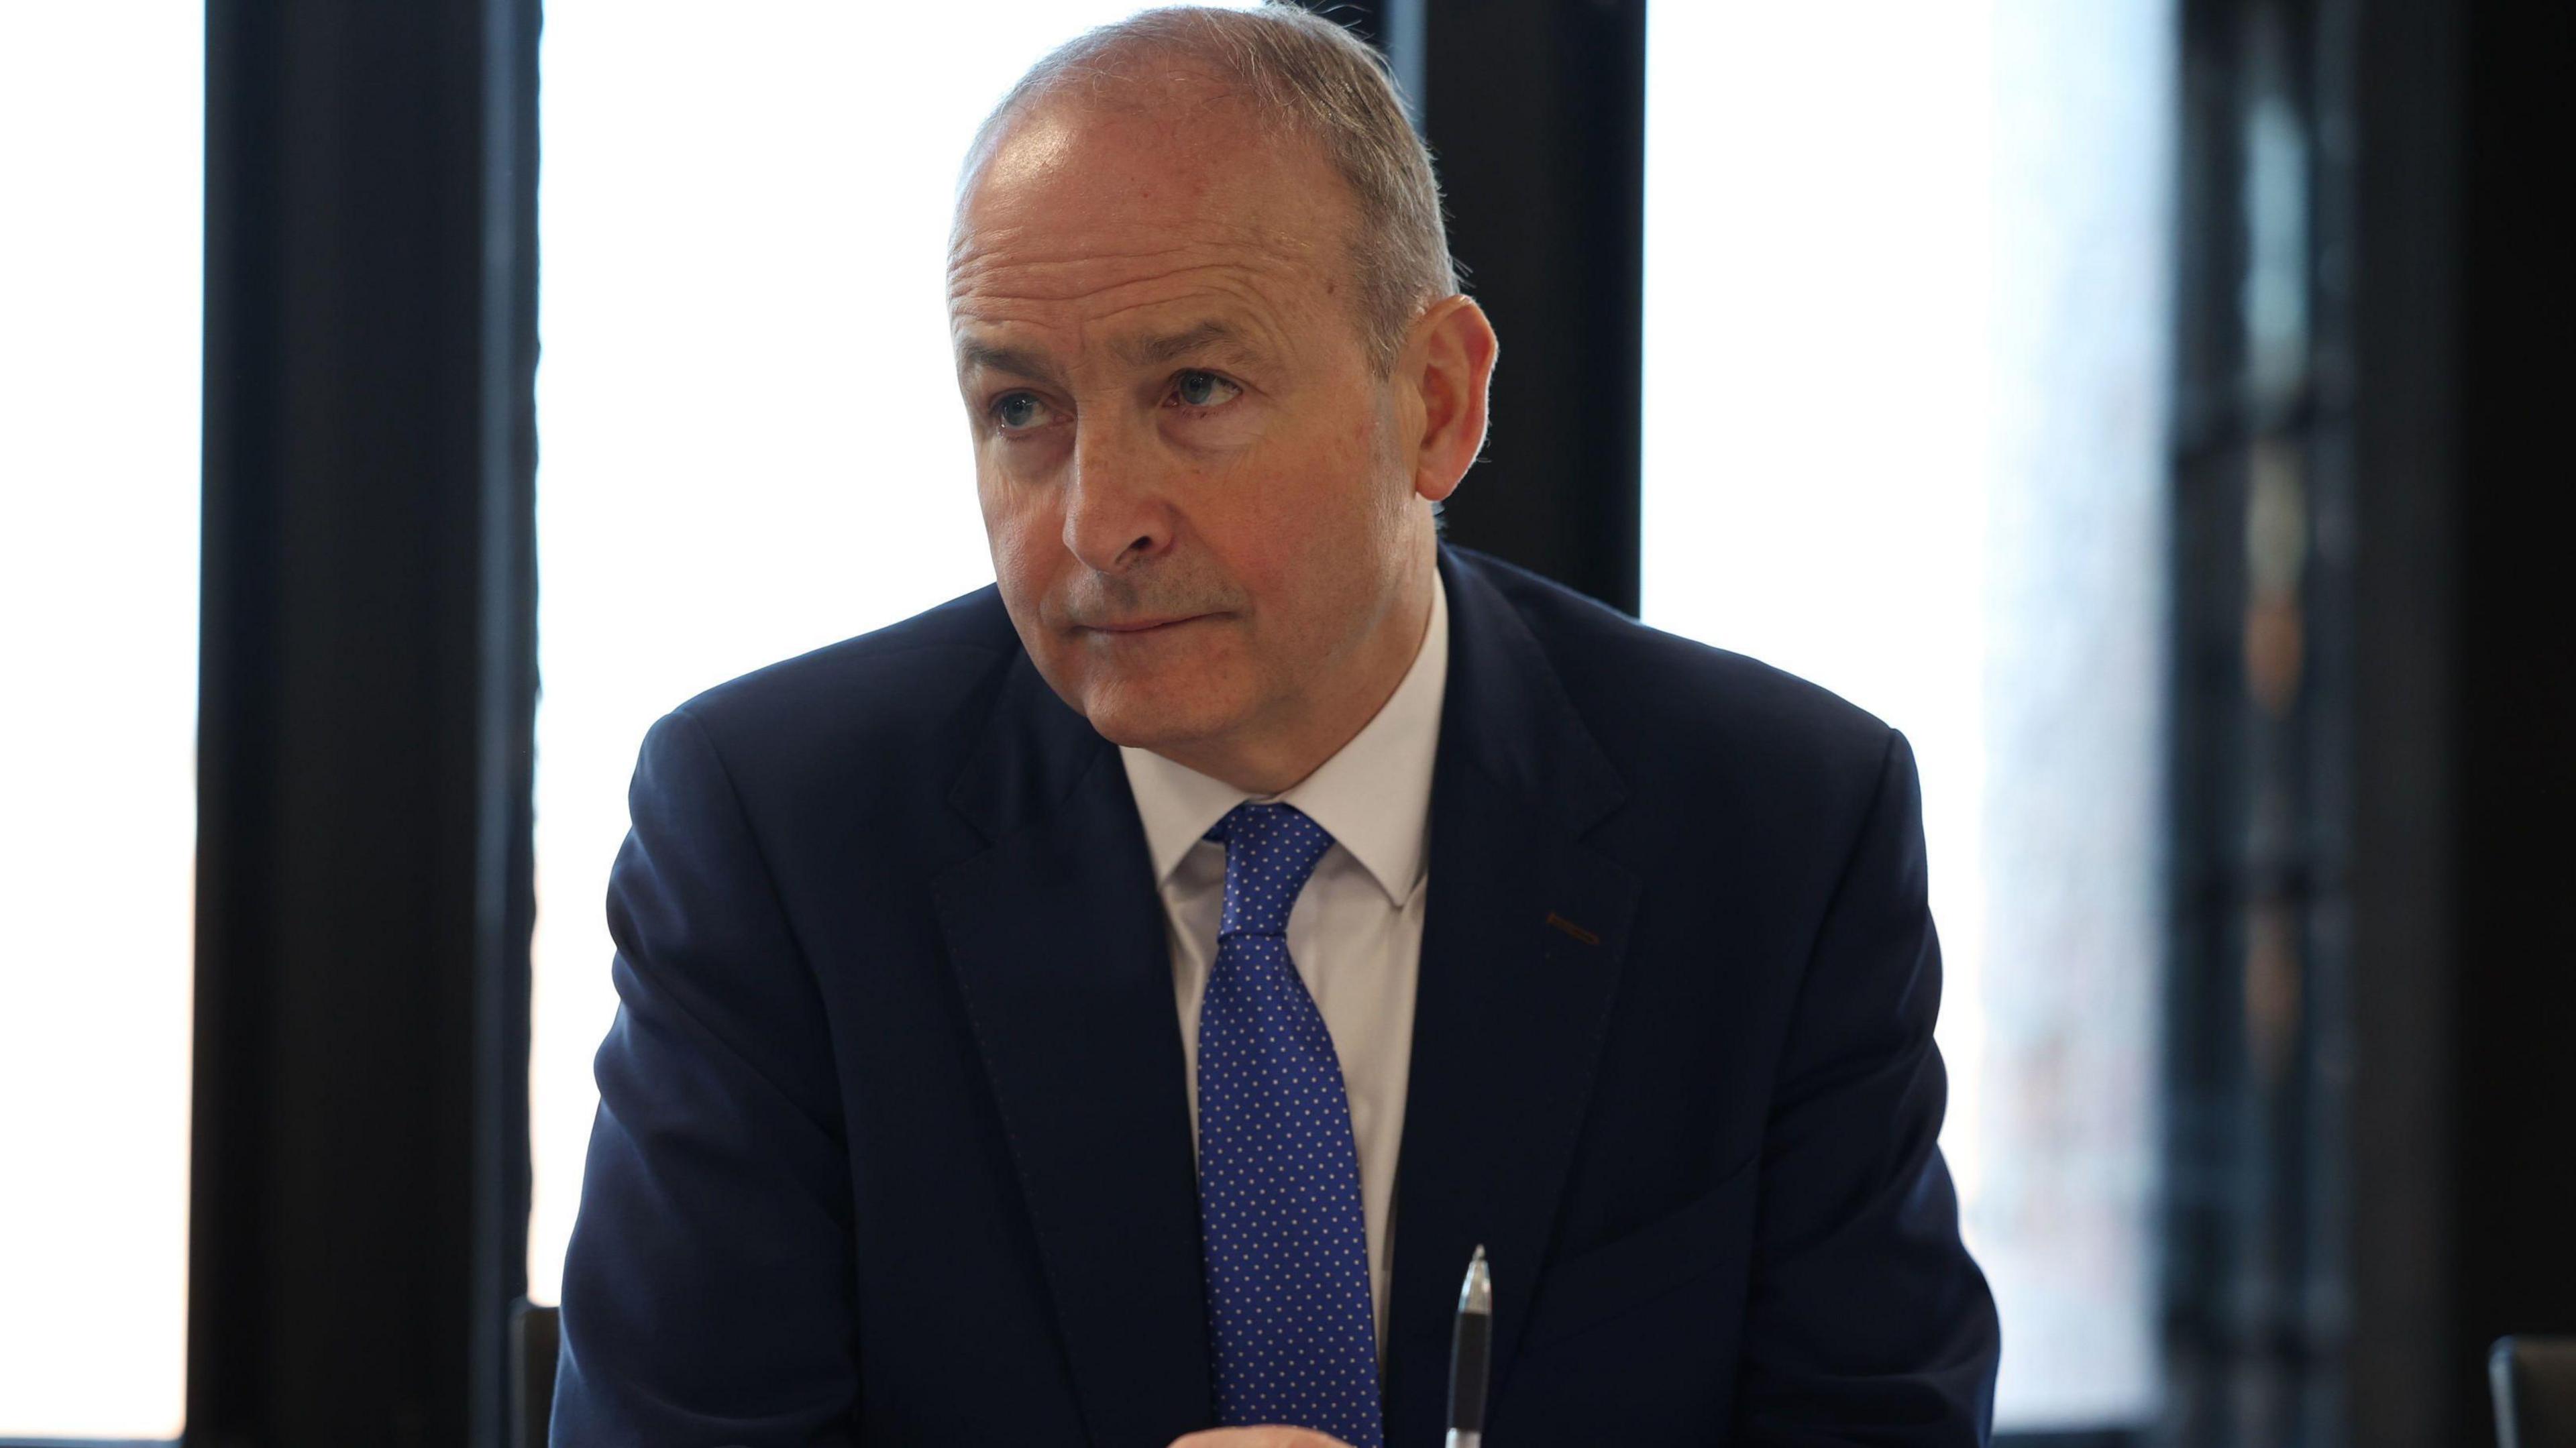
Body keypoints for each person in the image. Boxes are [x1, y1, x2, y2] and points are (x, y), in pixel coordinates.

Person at [549, 5, 2000, 1445]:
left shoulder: (1774, 831)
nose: (1097, 520)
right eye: (1020, 408)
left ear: (1435, 403)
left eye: (1197, 390)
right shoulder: (781, 837)